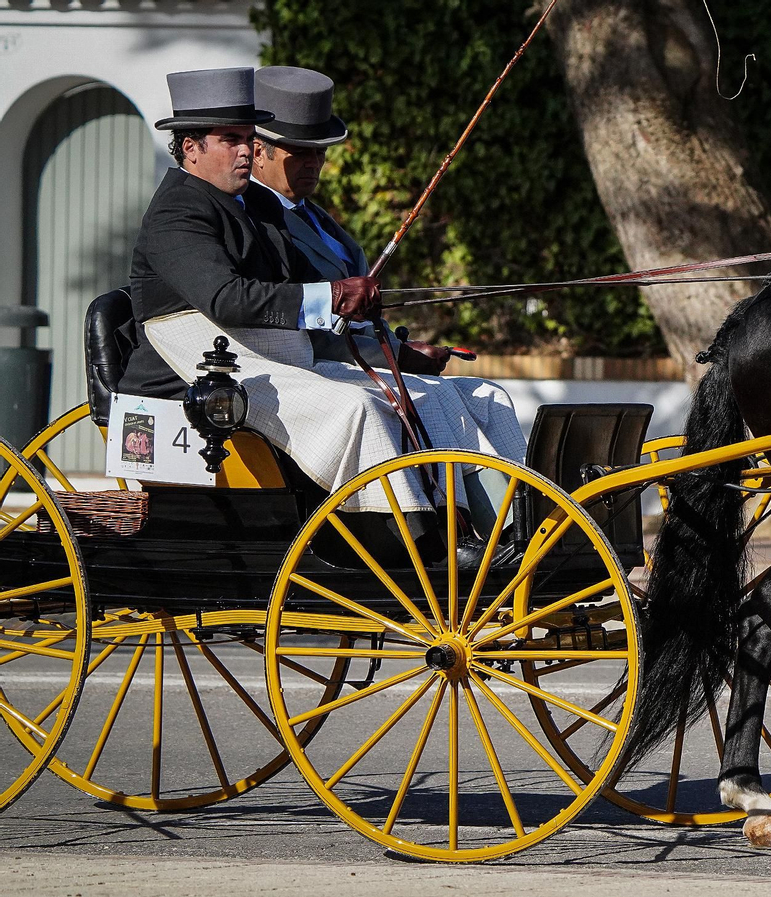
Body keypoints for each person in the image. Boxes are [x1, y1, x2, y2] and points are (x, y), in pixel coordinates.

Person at [120, 67, 521, 564]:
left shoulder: (253, 205)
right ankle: (416, 545)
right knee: (356, 408)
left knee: (424, 396)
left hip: (273, 355)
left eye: (248, 137)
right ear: (190, 147)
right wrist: (332, 295)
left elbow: (296, 286)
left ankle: (489, 526)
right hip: (199, 371)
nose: (246, 150)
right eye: (231, 139)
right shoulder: (176, 212)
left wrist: (367, 321)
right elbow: (226, 298)